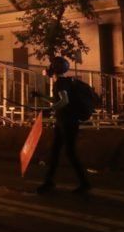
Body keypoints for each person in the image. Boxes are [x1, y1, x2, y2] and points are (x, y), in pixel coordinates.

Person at [36, 56, 91, 195]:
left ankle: (84, 183)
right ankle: (49, 182)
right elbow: (57, 100)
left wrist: (50, 109)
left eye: (51, 66)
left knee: (70, 153)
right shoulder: (64, 82)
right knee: (55, 152)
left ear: (54, 68)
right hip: (63, 122)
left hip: (67, 123)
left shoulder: (60, 83)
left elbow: (64, 101)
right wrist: (41, 96)